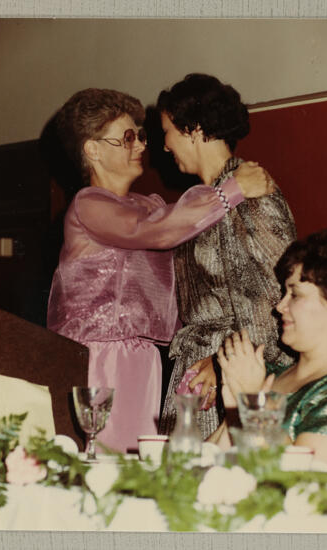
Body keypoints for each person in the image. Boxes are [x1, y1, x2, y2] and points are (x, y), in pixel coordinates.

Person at [46, 88, 272, 453]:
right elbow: (154, 230)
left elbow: (179, 261)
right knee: (104, 461)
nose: (140, 146)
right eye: (128, 138)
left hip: (144, 359)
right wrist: (232, 190)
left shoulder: (147, 204)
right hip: (97, 359)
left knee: (139, 464)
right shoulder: (88, 204)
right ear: (93, 150)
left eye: (141, 136)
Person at [157, 73, 297, 440]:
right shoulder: (205, 199)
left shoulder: (253, 196)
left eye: (168, 130)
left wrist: (223, 366)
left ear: (193, 128)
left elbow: (274, 299)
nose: (165, 144)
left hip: (226, 376)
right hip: (199, 369)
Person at [212, 228, 327, 473]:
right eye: (284, 292)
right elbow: (211, 463)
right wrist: (236, 410)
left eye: (295, 294)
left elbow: (307, 486)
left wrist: (253, 404)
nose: (280, 306)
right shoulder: (270, 374)